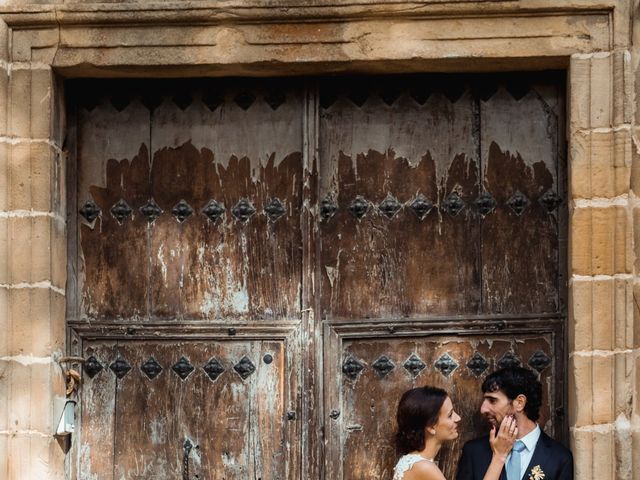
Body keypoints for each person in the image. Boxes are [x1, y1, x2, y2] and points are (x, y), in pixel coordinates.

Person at [456, 367, 573, 480]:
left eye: (492, 400)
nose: (483, 409)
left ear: (519, 403)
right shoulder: (473, 452)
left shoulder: (559, 458)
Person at [393, 386, 518, 480]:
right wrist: (499, 457)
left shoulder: (414, 462)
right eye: (450, 415)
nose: (457, 418)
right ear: (431, 427)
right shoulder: (423, 467)